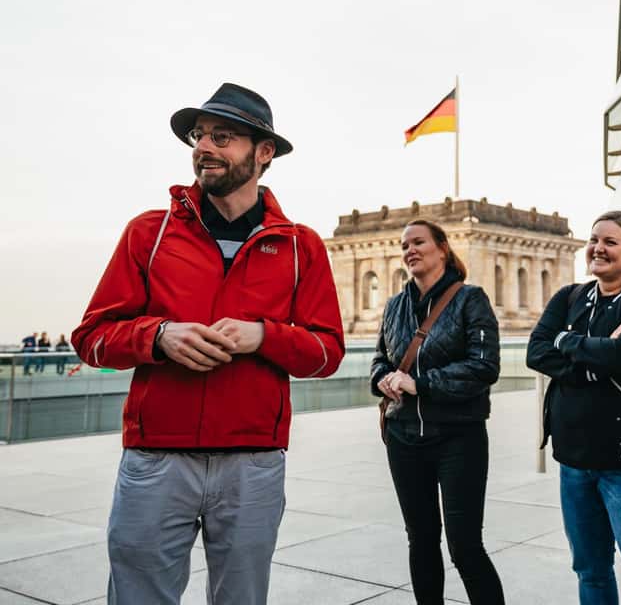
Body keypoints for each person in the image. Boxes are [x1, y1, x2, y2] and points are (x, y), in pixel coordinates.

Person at [71, 83, 344, 605]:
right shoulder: (146, 233)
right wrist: (157, 336)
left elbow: (328, 352)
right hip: (156, 460)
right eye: (200, 136)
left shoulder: (299, 245)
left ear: (264, 153)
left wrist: (265, 336)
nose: (205, 147)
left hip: (254, 463)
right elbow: (91, 339)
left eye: (224, 137)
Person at [527, 211, 621, 605]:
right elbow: (536, 351)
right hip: (573, 461)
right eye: (594, 239)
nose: (598, 248)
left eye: (611, 242)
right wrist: (592, 364)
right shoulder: (569, 297)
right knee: (589, 567)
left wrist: (567, 342)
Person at [370, 219, 504, 605]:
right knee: (421, 540)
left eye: (418, 242)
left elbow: (484, 367)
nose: (409, 250)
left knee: (465, 547)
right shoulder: (395, 305)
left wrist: (420, 383)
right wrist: (383, 378)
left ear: (442, 249)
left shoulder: (470, 299)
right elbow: (381, 358)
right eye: (403, 245)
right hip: (403, 436)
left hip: (458, 437)